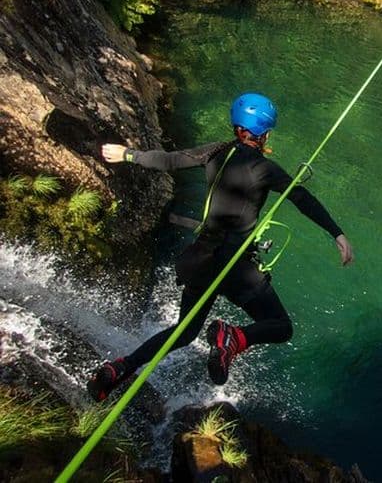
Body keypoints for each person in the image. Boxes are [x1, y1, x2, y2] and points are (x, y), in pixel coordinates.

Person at [87, 92, 353, 401]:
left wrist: (128, 154)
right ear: (264, 133)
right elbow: (302, 199)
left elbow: (170, 160)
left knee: (183, 333)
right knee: (280, 327)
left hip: (201, 259)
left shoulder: (215, 152)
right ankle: (234, 337)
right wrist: (337, 233)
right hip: (235, 267)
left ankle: (119, 369)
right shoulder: (266, 169)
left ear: (236, 127)